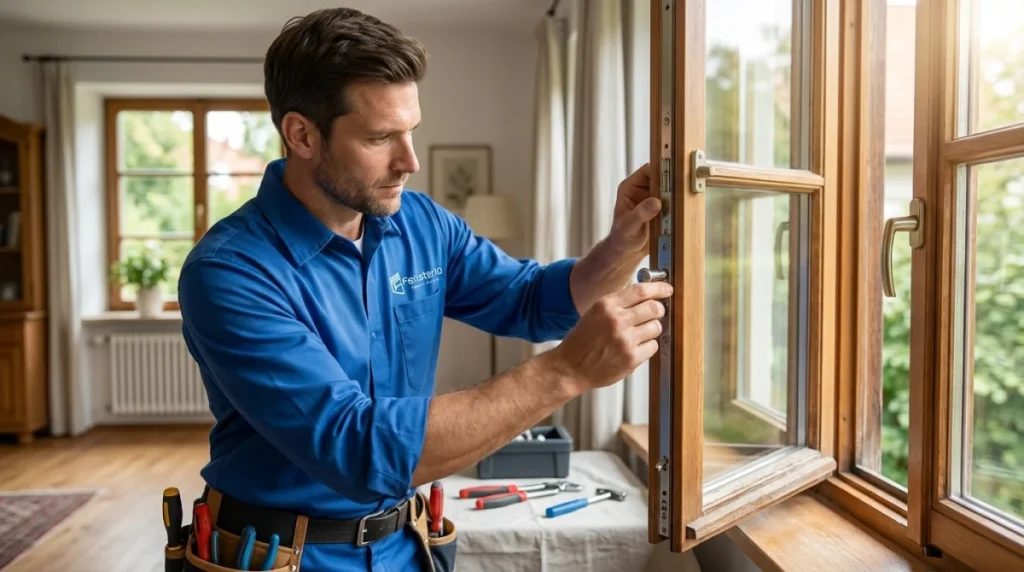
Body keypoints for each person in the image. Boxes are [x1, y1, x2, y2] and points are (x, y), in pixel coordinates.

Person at [177, 7, 672, 572]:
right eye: (381, 137)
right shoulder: (230, 272)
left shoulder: (422, 224)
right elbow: (358, 448)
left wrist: (625, 244)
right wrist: (565, 372)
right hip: (280, 556)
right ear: (302, 134)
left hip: (407, 544)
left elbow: (536, 301)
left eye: (411, 130)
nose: (409, 161)